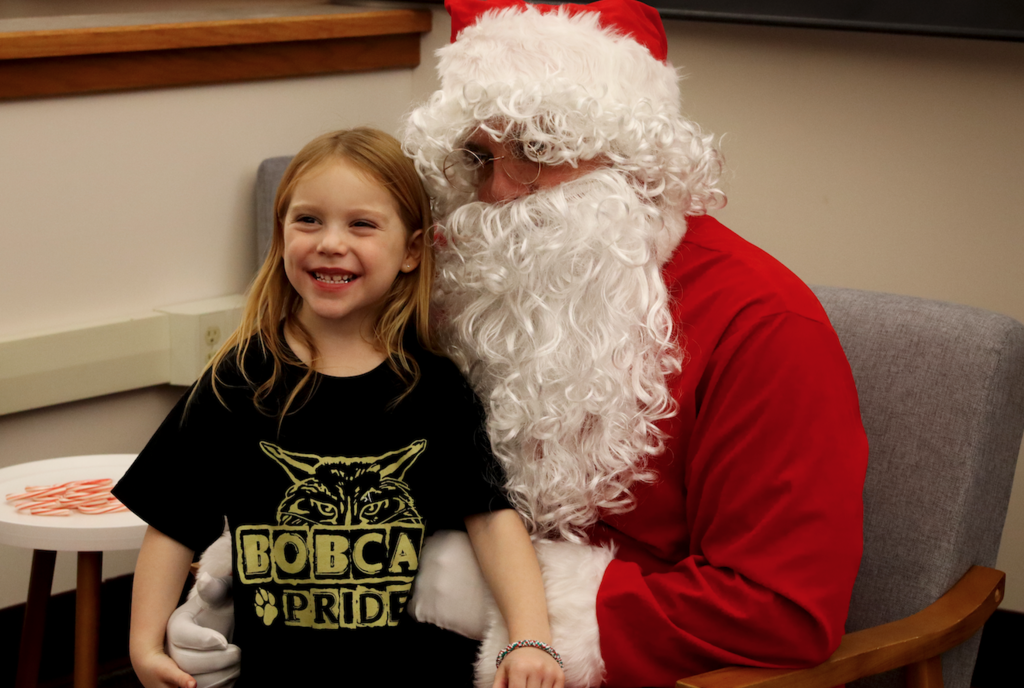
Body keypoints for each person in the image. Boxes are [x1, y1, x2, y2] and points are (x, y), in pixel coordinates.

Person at [166, 1, 869, 687]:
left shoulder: (763, 325)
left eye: (536, 150)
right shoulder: (448, 273)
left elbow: (781, 610)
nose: (500, 192)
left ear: (632, 155)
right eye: (478, 154)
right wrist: (258, 560)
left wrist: (500, 596)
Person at [113, 127, 565, 688]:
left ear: (412, 250)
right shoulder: (240, 379)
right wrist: (143, 644)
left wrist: (529, 639)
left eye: (362, 224)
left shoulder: (434, 388)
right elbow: (172, 522)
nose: (330, 242)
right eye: (308, 220)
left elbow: (492, 519)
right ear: (280, 238)